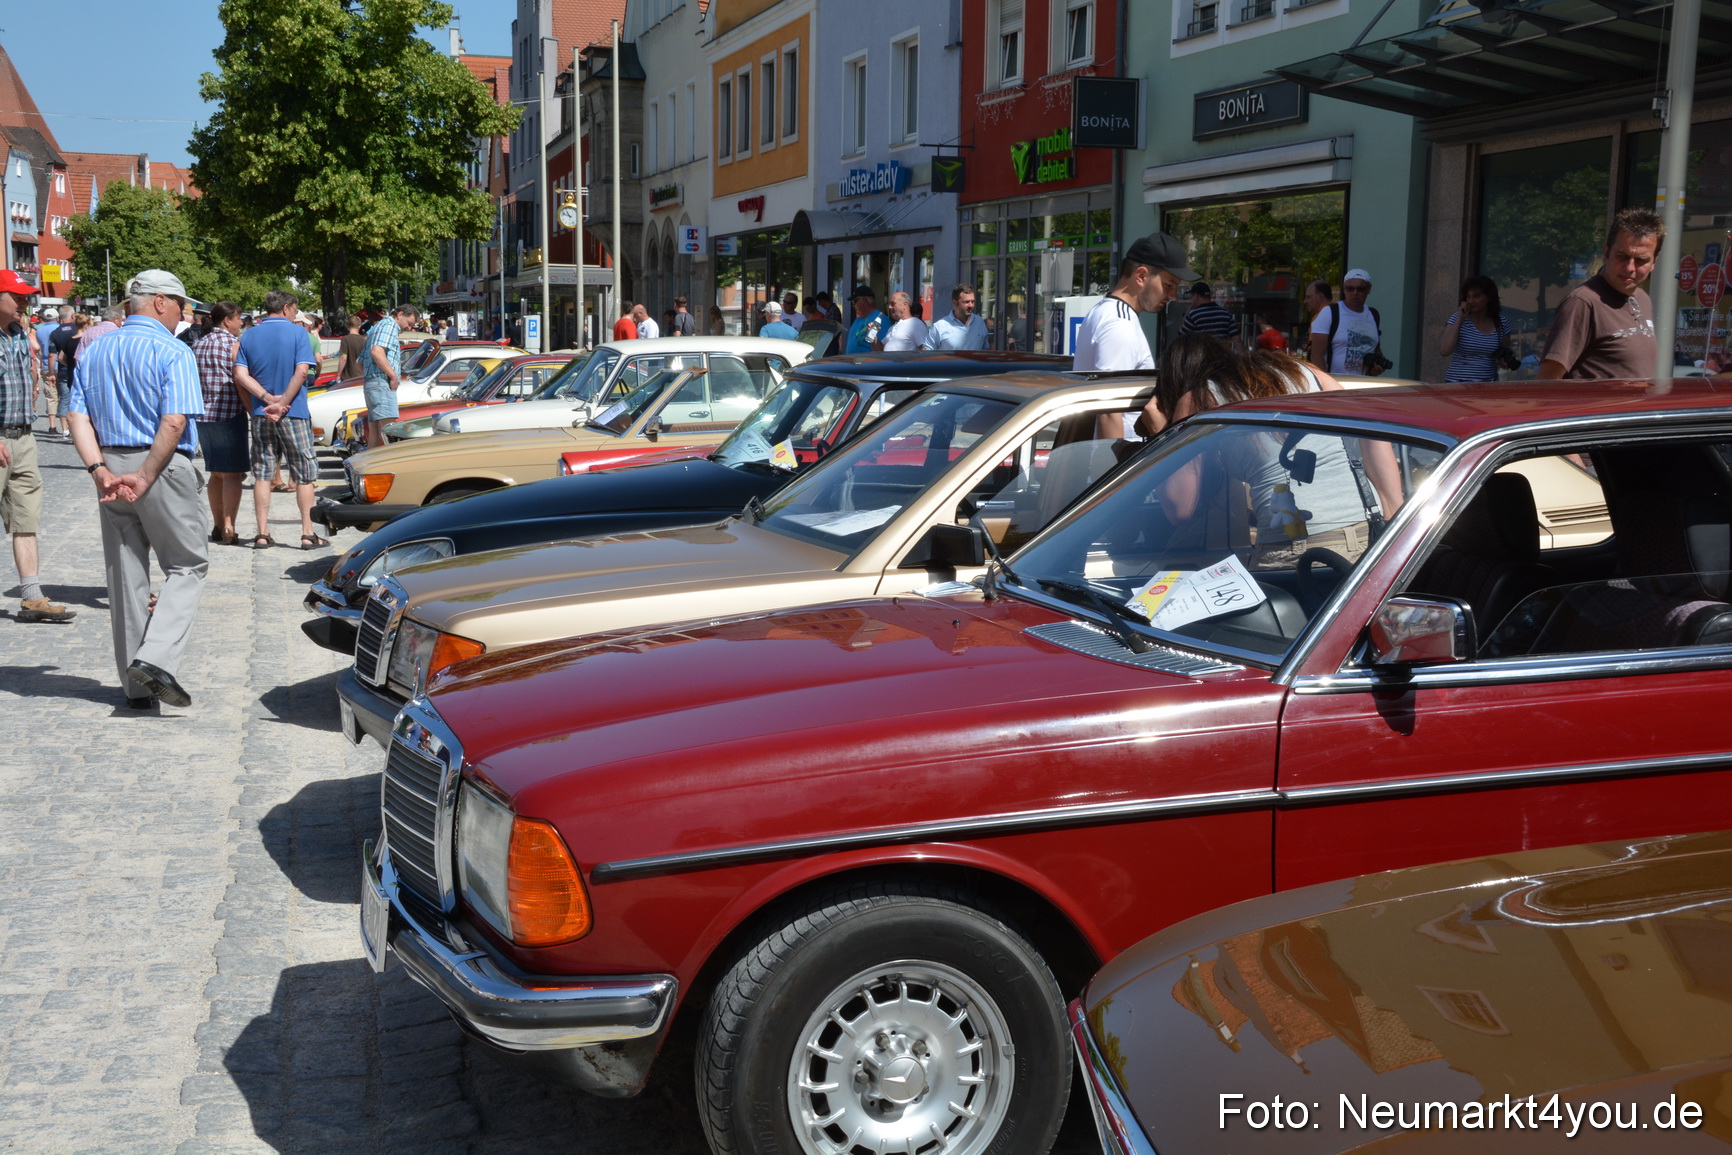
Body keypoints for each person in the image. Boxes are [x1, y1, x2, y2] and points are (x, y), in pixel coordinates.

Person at [66, 269, 208, 707]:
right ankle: (156, 660)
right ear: (160, 301)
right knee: (187, 565)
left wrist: (98, 470)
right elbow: (174, 421)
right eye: (182, 305)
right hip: (159, 463)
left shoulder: (95, 348)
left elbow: (76, 417)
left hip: (110, 462)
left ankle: (134, 688)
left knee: (125, 573)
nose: (184, 315)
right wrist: (145, 474)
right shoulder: (173, 351)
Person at [1141, 333, 1402, 568]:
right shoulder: (1302, 371)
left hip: (1295, 548)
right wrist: (1394, 513)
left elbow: (1179, 510)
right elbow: (1371, 426)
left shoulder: (1197, 399)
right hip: (1364, 535)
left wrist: (1162, 435)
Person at [0, 270, 73, 624]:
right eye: (16, 296)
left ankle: (32, 598)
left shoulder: (17, 334)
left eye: (26, 296)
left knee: (26, 517)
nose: (24, 302)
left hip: (23, 436)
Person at [1074, 231, 1197, 438]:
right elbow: (1109, 411)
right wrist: (1116, 469)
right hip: (1117, 461)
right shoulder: (1119, 324)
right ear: (1141, 276)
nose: (1173, 296)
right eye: (1169, 285)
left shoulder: (1106, 312)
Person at [233, 290, 324, 551]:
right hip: (293, 411)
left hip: (262, 411)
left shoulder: (249, 334)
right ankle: (307, 533)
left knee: (262, 472)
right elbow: (303, 370)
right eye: (295, 309)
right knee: (304, 473)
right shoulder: (299, 334)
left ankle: (262, 533)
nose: (296, 313)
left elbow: (240, 373)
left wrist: (264, 397)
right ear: (286, 308)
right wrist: (283, 402)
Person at [1538, 208, 1662, 380]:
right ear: (1606, 253)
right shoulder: (1582, 302)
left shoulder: (1642, 299)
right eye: (1622, 256)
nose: (1630, 268)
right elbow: (1547, 381)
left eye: (1641, 260)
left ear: (1654, 261)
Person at [192, 302, 248, 545]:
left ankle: (216, 524)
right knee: (233, 474)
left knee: (216, 473)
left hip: (203, 415)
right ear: (227, 320)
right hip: (230, 412)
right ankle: (228, 526)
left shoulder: (198, 344)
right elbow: (240, 379)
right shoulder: (232, 345)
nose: (241, 323)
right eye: (238, 319)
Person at [361, 303, 418, 449]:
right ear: (399, 315)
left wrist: (371, 377)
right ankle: (389, 468)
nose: (409, 328)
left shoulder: (377, 327)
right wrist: (392, 376)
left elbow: (359, 362)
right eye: (409, 323)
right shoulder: (390, 326)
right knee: (389, 432)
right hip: (381, 383)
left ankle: (370, 468)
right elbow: (376, 351)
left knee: (375, 434)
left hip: (373, 383)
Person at [1309, 269, 1386, 376]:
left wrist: (1377, 368)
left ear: (1369, 289)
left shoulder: (1373, 315)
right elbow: (1316, 356)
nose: (1355, 293)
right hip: (1337, 384)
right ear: (1344, 289)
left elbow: (1375, 348)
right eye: (1350, 288)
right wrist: (1326, 386)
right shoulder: (1330, 313)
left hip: (1365, 385)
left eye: (1360, 289)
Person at [1439, 275, 1512, 383]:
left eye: (1476, 296)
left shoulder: (1501, 323)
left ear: (1489, 297)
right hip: (1458, 383)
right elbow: (1445, 350)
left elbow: (1503, 355)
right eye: (1468, 297)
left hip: (1487, 384)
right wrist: (1460, 317)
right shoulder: (1457, 318)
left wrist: (1507, 361)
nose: (1471, 301)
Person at [921, 284, 989, 351]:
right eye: (966, 302)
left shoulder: (979, 322)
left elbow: (985, 350)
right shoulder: (940, 326)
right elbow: (927, 352)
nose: (970, 305)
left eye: (972, 302)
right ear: (955, 303)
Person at [845, 286, 887, 354]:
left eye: (854, 301)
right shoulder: (858, 319)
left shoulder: (881, 320)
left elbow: (884, 350)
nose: (853, 305)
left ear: (864, 300)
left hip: (868, 363)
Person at [336, 313, 367, 384]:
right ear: (359, 326)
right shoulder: (364, 340)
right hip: (361, 375)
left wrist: (338, 374)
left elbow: (343, 358)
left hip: (349, 376)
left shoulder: (345, 339)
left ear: (348, 326)